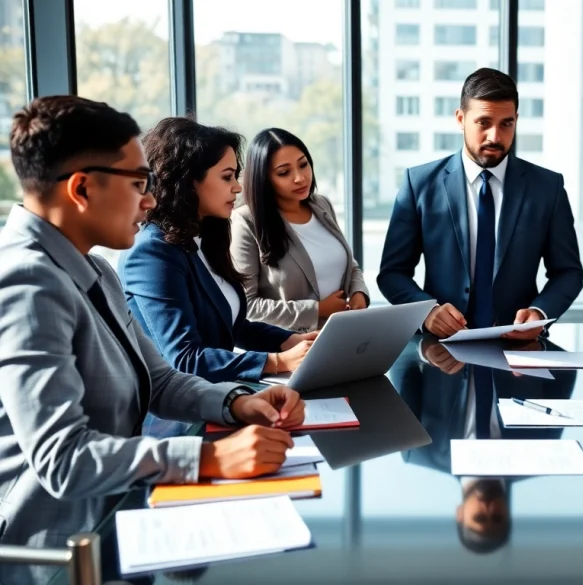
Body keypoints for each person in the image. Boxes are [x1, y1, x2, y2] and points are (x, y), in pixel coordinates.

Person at [0, 97, 304, 564]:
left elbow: (159, 378)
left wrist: (237, 401)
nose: (150, 200)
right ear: (81, 189)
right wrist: (209, 459)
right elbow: (64, 460)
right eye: (140, 183)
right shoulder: (26, 282)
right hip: (56, 552)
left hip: (112, 519)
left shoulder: (96, 268)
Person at [378, 67, 583, 340]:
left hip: (519, 353)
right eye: (483, 122)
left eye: (506, 124)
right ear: (461, 118)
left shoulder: (548, 188)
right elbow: (392, 273)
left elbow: (568, 272)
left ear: (516, 120)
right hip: (441, 353)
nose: (495, 137)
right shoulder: (420, 184)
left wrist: (540, 313)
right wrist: (426, 312)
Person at [119, 117, 316, 383]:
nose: (237, 186)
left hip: (218, 394)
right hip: (176, 416)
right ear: (189, 180)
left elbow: (234, 326)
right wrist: (278, 362)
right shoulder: (152, 253)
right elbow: (185, 358)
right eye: (227, 177)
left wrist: (290, 340)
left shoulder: (205, 236)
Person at [393, 336, 577, 553]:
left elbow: (399, 359)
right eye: (497, 517)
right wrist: (538, 350)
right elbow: (567, 369)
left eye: (480, 517)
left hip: (448, 317)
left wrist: (424, 351)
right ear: (508, 512)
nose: (489, 508)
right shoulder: (540, 453)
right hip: (516, 316)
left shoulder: (419, 450)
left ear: (460, 513)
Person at [231, 128, 369, 332]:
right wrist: (317, 309)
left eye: (303, 165)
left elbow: (349, 264)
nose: (300, 178)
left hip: (342, 336)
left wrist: (359, 293)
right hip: (289, 347)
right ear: (264, 178)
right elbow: (247, 306)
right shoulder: (246, 221)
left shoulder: (322, 205)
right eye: (284, 172)